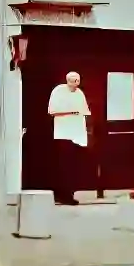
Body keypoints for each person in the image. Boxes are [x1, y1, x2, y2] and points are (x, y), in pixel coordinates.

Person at [46, 72, 91, 206]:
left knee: (73, 167)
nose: (75, 84)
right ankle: (62, 195)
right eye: (72, 81)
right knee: (63, 166)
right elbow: (52, 111)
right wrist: (72, 112)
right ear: (67, 80)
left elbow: (85, 111)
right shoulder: (58, 91)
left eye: (77, 81)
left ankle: (70, 194)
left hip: (77, 135)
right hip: (63, 135)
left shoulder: (79, 93)